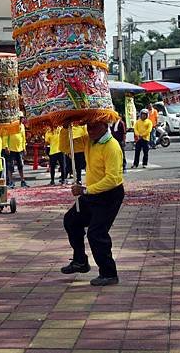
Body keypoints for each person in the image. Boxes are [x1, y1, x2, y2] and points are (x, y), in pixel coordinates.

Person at [59, 121, 124, 287]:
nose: (90, 130)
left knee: (96, 233)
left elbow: (113, 179)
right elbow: (67, 147)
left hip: (109, 195)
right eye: (88, 127)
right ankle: (80, 261)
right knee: (71, 220)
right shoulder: (89, 140)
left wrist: (85, 190)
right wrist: (64, 128)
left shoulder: (111, 146)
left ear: (104, 126)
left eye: (94, 127)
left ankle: (109, 273)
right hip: (92, 193)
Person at [4, 121, 28, 188]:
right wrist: (6, 146)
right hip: (11, 149)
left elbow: (23, 138)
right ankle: (11, 181)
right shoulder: (10, 125)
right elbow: (6, 136)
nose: (20, 120)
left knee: (21, 165)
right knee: (10, 166)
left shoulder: (22, 126)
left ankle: (22, 181)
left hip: (19, 149)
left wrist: (24, 148)